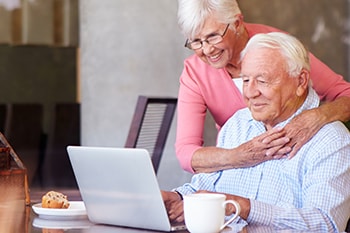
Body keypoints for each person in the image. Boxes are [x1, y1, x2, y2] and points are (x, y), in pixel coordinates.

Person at [163, 32, 350, 232]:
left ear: (301, 81)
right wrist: (177, 198)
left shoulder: (331, 140)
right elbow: (208, 185)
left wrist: (245, 208)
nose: (251, 93)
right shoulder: (237, 124)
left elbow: (325, 225)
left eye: (262, 81)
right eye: (245, 80)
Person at [175, 0, 350, 173]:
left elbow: (345, 94)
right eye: (196, 41)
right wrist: (239, 156)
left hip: (293, 164)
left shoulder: (276, 48)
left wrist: (316, 117)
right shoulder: (194, 72)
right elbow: (186, 152)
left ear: (236, 23)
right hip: (240, 172)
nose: (206, 50)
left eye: (213, 36)